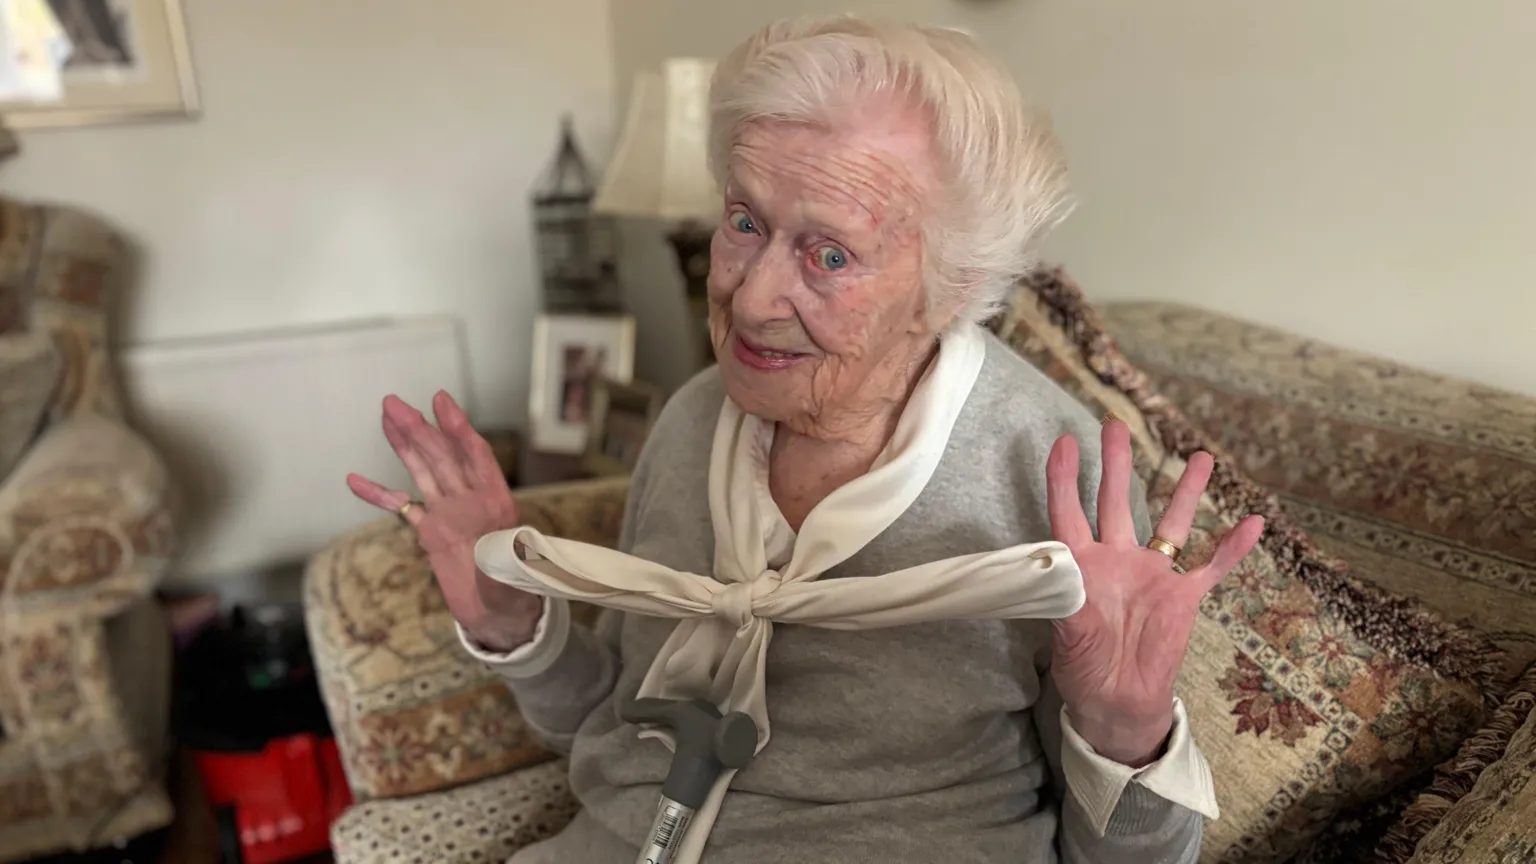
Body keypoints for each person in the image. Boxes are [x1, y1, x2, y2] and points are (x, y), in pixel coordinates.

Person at [347, 16, 1263, 864]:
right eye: (744, 222)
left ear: (952, 285)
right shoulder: (691, 419)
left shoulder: (1054, 473)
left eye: (828, 254)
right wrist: (513, 623)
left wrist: (1123, 732)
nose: (747, 298)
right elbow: (617, 735)